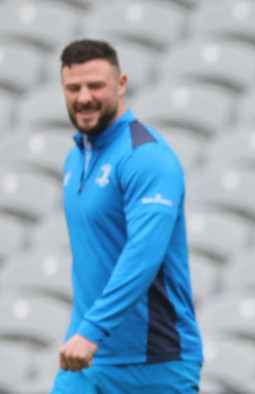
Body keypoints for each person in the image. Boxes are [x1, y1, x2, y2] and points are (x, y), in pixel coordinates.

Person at [50, 39, 203, 393]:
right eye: (73, 88)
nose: (84, 97)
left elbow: (143, 254)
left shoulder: (146, 157)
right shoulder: (76, 158)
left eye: (96, 86)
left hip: (155, 363)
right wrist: (84, 332)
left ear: (121, 85)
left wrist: (91, 330)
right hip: (88, 363)